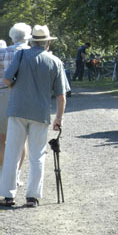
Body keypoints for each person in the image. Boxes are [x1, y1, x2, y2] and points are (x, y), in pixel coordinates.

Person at [0, 25, 69, 208]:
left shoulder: (21, 56)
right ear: (47, 42)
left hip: (17, 109)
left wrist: (16, 87)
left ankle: (8, 195)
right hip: (40, 112)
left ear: (32, 41)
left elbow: (6, 79)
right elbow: (61, 96)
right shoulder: (55, 62)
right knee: (37, 155)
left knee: (12, 152)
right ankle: (32, 197)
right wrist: (59, 119)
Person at [0, 23, 31, 178]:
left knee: (2, 138)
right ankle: (16, 174)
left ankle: (5, 173)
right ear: (28, 37)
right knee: (21, 139)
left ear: (12, 37)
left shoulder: (3, 52)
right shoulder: (31, 53)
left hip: (3, 95)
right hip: (24, 96)